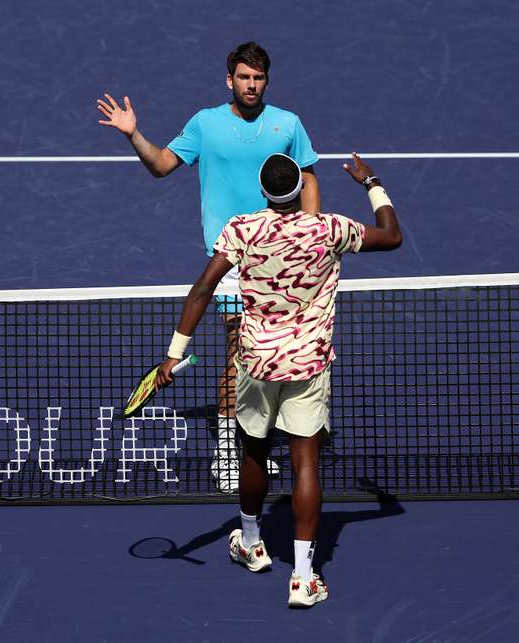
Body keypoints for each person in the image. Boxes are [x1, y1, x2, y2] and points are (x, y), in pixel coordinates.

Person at [155, 152, 402, 608]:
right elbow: (392, 236)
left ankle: (251, 543)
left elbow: (203, 289)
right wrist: (372, 183)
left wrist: (174, 354)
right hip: (308, 363)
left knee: (253, 453)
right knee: (305, 464)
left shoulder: (241, 229)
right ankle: (304, 578)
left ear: (265, 190)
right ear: (298, 191)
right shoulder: (330, 229)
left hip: (256, 363)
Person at [97, 41, 320, 492]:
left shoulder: (287, 124)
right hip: (232, 259)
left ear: (266, 81)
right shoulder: (205, 122)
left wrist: (310, 234)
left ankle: (252, 447)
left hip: (281, 256)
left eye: (258, 79)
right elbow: (161, 165)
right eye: (243, 78)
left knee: (272, 358)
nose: (251, 86)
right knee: (239, 355)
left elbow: (309, 175)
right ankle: (226, 453)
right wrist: (133, 135)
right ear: (229, 80)